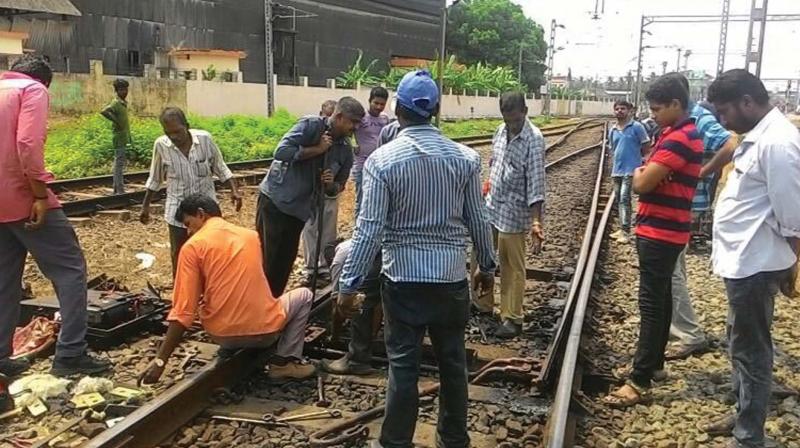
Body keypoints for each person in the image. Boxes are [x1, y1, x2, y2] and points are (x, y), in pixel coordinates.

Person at [338, 70, 497, 448]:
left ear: (398, 110)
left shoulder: (382, 162)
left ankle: (395, 442)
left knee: (404, 368)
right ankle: (454, 439)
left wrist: (348, 285)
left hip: (403, 283)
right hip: (450, 279)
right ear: (436, 111)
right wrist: (486, 266)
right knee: (453, 365)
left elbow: (369, 231)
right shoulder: (466, 159)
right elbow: (479, 218)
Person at [699, 70, 800, 448]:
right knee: (740, 342)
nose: (722, 120)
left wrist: (792, 263)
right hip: (744, 262)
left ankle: (749, 437)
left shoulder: (778, 143)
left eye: (725, 111)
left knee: (753, 351)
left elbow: (793, 214)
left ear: (747, 101)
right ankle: (743, 413)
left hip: (757, 264)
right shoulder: (757, 137)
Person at [0, 55, 110, 377]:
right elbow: (28, 143)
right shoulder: (32, 90)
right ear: (44, 80)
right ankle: (71, 355)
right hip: (22, 197)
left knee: (5, 280)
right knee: (70, 270)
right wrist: (37, 194)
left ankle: (1, 359)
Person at [138, 194, 316, 384]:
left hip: (223, 336)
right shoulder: (251, 236)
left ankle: (252, 348)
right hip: (266, 333)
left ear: (201, 214)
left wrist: (160, 361)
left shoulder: (192, 247)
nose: (189, 231)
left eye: (189, 224)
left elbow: (183, 312)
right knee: (305, 295)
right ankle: (284, 362)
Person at [603, 74, 703, 408]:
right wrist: (646, 171)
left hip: (660, 231)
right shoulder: (673, 133)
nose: (654, 114)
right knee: (661, 298)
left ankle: (639, 380)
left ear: (677, 104)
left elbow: (642, 183)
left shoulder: (679, 139)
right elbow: (647, 171)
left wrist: (642, 174)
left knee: (650, 303)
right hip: (665, 229)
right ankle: (654, 365)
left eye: (658, 108)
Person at [664, 73, 738, 361]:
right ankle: (677, 326)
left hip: (688, 202)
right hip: (681, 202)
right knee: (674, 268)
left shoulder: (697, 118)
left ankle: (688, 333)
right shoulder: (684, 120)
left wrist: (702, 173)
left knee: (672, 270)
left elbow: (731, 143)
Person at [256, 98, 363, 297]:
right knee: (267, 259)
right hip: (277, 203)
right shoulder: (310, 126)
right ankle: (258, 306)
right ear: (339, 117)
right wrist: (317, 150)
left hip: (300, 210)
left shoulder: (344, 149)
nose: (355, 128)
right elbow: (281, 151)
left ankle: (272, 305)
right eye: (352, 122)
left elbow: (339, 186)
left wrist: (331, 184)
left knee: (284, 263)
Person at [321, 118, 402, 375]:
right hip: (415, 248)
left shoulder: (381, 166)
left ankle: (358, 359)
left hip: (385, 242)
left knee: (365, 295)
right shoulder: (448, 156)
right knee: (401, 299)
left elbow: (369, 224)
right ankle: (399, 358)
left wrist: (349, 285)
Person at [139, 107, 242, 278]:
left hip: (206, 212)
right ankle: (182, 296)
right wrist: (145, 207)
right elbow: (155, 178)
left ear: (187, 125)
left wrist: (234, 191)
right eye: (168, 133)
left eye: (178, 131)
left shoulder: (205, 140)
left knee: (211, 254)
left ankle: (209, 292)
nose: (174, 137)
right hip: (177, 210)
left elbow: (221, 168)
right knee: (180, 256)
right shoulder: (161, 146)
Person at [477, 91, 546, 338]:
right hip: (492, 204)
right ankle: (482, 304)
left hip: (514, 212)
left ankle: (512, 317)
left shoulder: (534, 139)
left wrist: (536, 221)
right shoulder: (499, 131)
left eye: (515, 120)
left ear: (525, 112)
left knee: (511, 266)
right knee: (481, 255)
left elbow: (537, 183)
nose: (512, 125)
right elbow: (495, 163)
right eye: (507, 120)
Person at [608, 100, 651, 243]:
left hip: (631, 169)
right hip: (617, 170)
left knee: (625, 198)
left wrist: (643, 161)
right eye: (617, 109)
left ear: (630, 111)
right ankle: (622, 228)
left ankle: (625, 232)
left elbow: (646, 145)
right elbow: (613, 148)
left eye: (623, 108)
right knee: (619, 199)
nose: (620, 111)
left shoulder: (637, 127)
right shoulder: (613, 130)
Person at [352, 87, 390, 213]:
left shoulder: (385, 119)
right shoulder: (361, 117)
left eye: (382, 104)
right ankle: (358, 229)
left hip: (379, 166)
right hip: (361, 165)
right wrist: (352, 145)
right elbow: (347, 132)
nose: (379, 107)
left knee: (377, 199)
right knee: (361, 200)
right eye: (376, 103)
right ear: (369, 101)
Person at [100, 78, 132, 195]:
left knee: (120, 162)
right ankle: (120, 190)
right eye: (122, 90)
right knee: (119, 164)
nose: (125, 92)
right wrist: (116, 121)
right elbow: (104, 111)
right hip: (118, 137)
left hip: (122, 137)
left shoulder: (123, 104)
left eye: (126, 89)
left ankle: (116, 189)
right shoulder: (116, 103)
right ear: (117, 91)